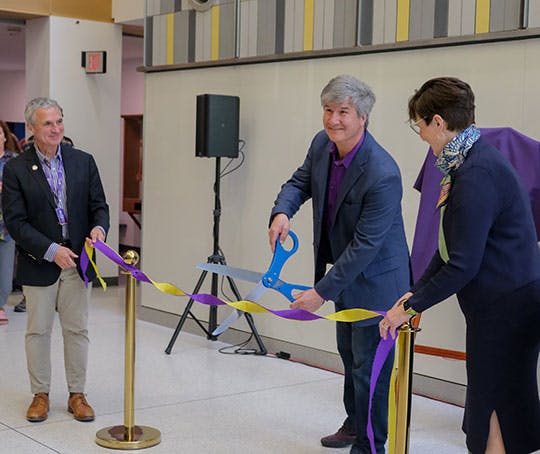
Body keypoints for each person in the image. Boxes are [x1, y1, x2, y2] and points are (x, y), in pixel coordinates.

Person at [380, 77, 540, 454]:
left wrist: (410, 307)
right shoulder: (469, 161)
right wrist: (415, 292)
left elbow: (463, 265)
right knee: (492, 406)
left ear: (438, 122)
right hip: (500, 307)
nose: (419, 133)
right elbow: (452, 249)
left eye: (418, 124)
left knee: (496, 407)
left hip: (507, 310)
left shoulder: (476, 174)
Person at [269, 75, 410, 454]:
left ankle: (370, 446)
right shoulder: (322, 145)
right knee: (351, 360)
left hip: (378, 283)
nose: (333, 120)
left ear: (362, 117)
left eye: (343, 112)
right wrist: (282, 212)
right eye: (328, 110)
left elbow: (366, 245)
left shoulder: (383, 172)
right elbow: (299, 182)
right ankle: (354, 424)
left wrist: (320, 292)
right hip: (344, 278)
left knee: (371, 370)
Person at [1, 97, 109, 423]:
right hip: (41, 262)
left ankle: (77, 394)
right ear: (31, 129)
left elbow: (98, 205)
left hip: (78, 261)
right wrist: (51, 250)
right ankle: (41, 394)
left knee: (77, 330)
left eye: (59, 121)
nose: (56, 128)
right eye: (47, 123)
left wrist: (99, 228)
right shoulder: (17, 168)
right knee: (38, 331)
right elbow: (16, 222)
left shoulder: (83, 161)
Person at [0, 121, 22, 325]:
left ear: (5, 136)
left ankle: (0, 304)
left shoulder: (14, 161)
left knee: (6, 273)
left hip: (7, 228)